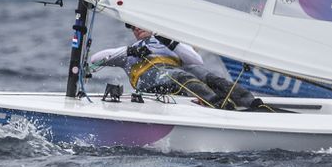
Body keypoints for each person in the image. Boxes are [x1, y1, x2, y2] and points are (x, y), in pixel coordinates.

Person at [89, 25, 268, 110]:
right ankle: (218, 104)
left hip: (178, 75)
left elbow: (197, 61)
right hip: (150, 81)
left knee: (211, 78)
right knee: (181, 77)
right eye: (133, 28)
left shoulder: (174, 46)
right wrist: (129, 51)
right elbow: (95, 60)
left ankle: (250, 101)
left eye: (139, 25)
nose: (136, 30)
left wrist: (171, 43)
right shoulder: (129, 55)